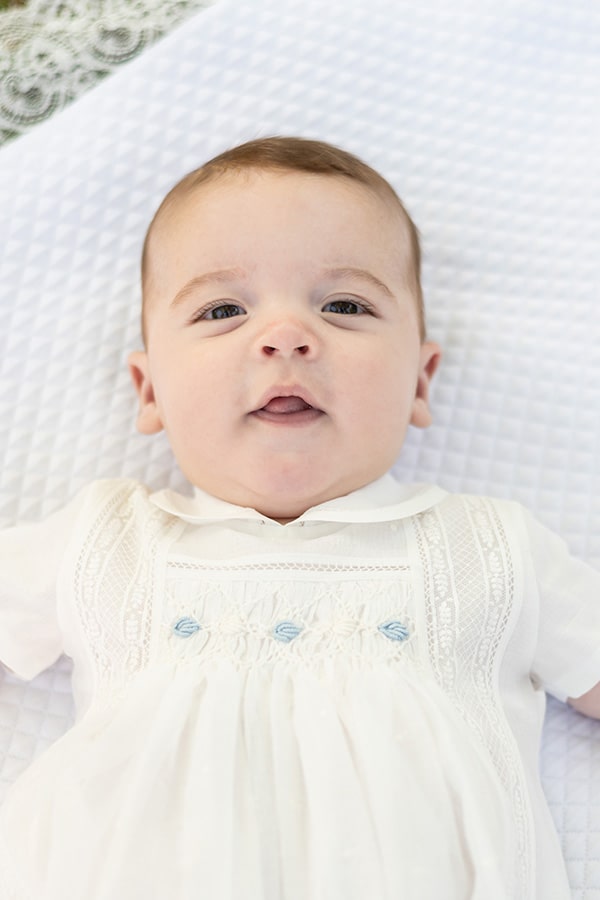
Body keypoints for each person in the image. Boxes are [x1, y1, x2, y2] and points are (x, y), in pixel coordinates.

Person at [0, 136, 599, 900]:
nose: (284, 335)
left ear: (421, 379)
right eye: (223, 310)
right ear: (149, 392)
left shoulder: (492, 550)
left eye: (344, 306)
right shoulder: (105, 541)